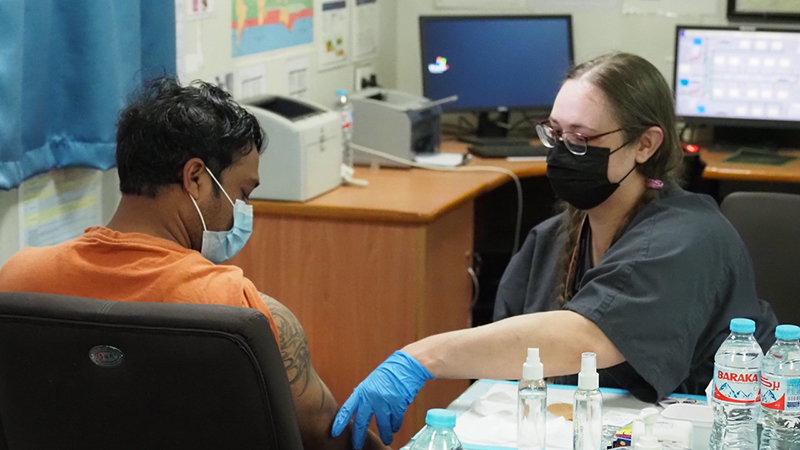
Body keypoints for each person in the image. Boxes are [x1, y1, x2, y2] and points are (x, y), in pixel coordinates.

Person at [331, 52, 779, 449]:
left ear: (645, 144)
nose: (564, 152)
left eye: (582, 140)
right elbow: (512, 368)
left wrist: (420, 358)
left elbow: (590, 335)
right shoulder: (552, 241)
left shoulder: (690, 239)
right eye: (555, 134)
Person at [0, 78, 388, 450]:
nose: (245, 211)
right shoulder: (234, 304)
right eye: (243, 192)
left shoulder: (18, 278)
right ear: (197, 178)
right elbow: (326, 436)